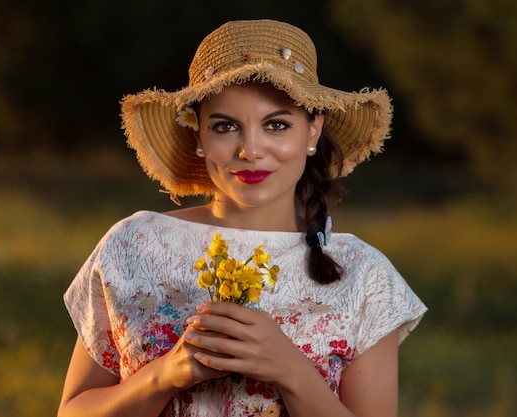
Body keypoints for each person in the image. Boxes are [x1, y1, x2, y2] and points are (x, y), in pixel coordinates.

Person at [58, 19, 427, 417]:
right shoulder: (133, 245)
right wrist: (165, 376)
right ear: (198, 135)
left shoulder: (363, 275)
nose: (250, 150)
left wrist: (290, 371)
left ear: (313, 131)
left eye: (277, 124)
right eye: (225, 126)